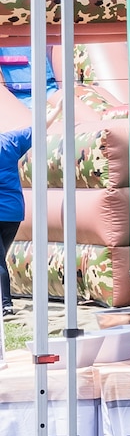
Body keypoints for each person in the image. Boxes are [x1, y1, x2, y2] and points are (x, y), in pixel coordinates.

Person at [0, 125, 31, 317]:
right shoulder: (10, 141)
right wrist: (59, 109)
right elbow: (39, 128)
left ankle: (6, 304)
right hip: (13, 213)